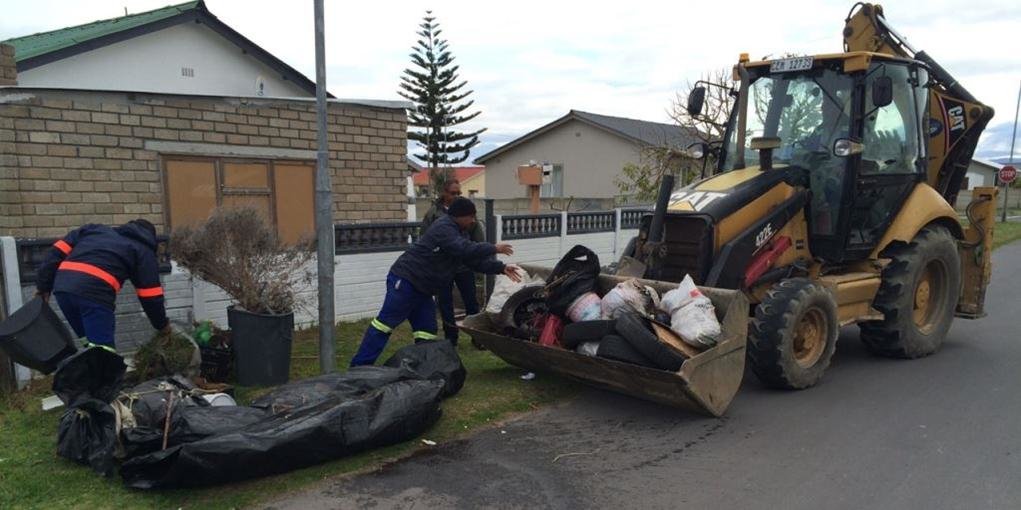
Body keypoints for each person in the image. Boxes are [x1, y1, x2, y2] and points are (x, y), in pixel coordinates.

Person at [351, 198, 521, 366]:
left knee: (426, 332)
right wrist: (493, 248)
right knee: (384, 325)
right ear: (460, 216)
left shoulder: (460, 232)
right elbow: (462, 248)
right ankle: (359, 367)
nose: (473, 221)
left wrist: (501, 268)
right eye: (471, 216)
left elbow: (471, 261)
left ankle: (422, 368)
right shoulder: (444, 227)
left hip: (424, 289)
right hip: (406, 281)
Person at [35, 220, 170, 351]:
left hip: (63, 289)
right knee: (103, 352)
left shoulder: (93, 230)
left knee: (89, 343)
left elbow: (55, 253)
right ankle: (102, 365)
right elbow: (150, 295)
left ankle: (91, 363)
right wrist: (162, 326)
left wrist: (43, 287)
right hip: (94, 294)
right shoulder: (143, 251)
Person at [421, 179, 484, 345]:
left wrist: (478, 258)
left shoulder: (466, 210)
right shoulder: (433, 213)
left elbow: (477, 236)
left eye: (459, 193)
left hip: (463, 265)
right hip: (443, 268)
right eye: (453, 193)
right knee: (445, 303)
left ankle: (477, 338)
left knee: (471, 302)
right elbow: (425, 238)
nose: (456, 196)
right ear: (444, 193)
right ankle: (451, 339)